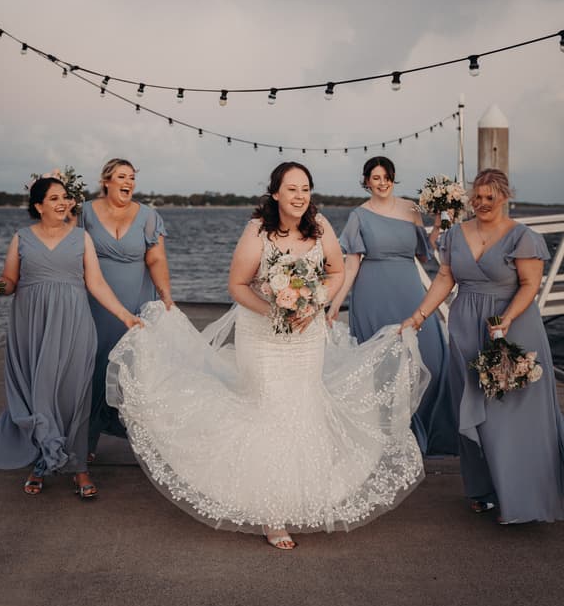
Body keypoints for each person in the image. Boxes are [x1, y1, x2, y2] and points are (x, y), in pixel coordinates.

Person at [106, 162, 429, 549]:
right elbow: (238, 285)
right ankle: (272, 513)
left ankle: (302, 495)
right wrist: (275, 311)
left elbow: (336, 272)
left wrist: (313, 303)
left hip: (306, 336)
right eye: (291, 189)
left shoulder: (320, 225)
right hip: (262, 336)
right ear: (275, 193)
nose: (300, 196)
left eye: (305, 188)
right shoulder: (258, 230)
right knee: (270, 406)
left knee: (303, 405)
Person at [401, 168, 564, 524]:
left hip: (513, 327)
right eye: (478, 196)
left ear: (506, 197)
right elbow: (445, 277)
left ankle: (521, 493)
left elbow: (529, 285)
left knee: (510, 415)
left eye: (491, 197)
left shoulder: (522, 237)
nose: (483, 203)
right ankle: (481, 490)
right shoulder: (456, 234)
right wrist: (419, 316)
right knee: (473, 408)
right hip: (466, 329)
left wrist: (505, 320)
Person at [0, 177, 141, 497]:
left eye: (65, 197)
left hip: (75, 323)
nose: (62, 203)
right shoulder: (21, 238)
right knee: (41, 395)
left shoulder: (81, 238)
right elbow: (10, 281)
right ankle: (41, 462)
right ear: (38, 206)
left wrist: (124, 315)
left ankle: (79, 468)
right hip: (32, 325)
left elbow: (97, 284)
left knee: (75, 396)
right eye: (54, 198)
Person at [328, 156, 458, 456]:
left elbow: (424, 253)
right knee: (380, 366)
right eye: (376, 177)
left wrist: (438, 224)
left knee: (432, 358)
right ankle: (390, 435)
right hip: (372, 292)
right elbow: (351, 266)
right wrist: (335, 304)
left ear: (393, 178)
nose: (382, 182)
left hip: (409, 288)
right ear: (366, 181)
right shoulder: (359, 216)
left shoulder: (411, 208)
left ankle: (432, 428)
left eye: (387, 176)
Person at [79, 158, 174, 457]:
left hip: (136, 299)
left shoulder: (148, 216)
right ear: (106, 181)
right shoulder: (84, 213)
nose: (129, 182)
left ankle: (140, 441)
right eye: (122, 177)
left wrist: (166, 295)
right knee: (93, 368)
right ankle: (86, 442)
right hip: (94, 303)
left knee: (133, 370)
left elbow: (156, 259)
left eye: (132, 177)